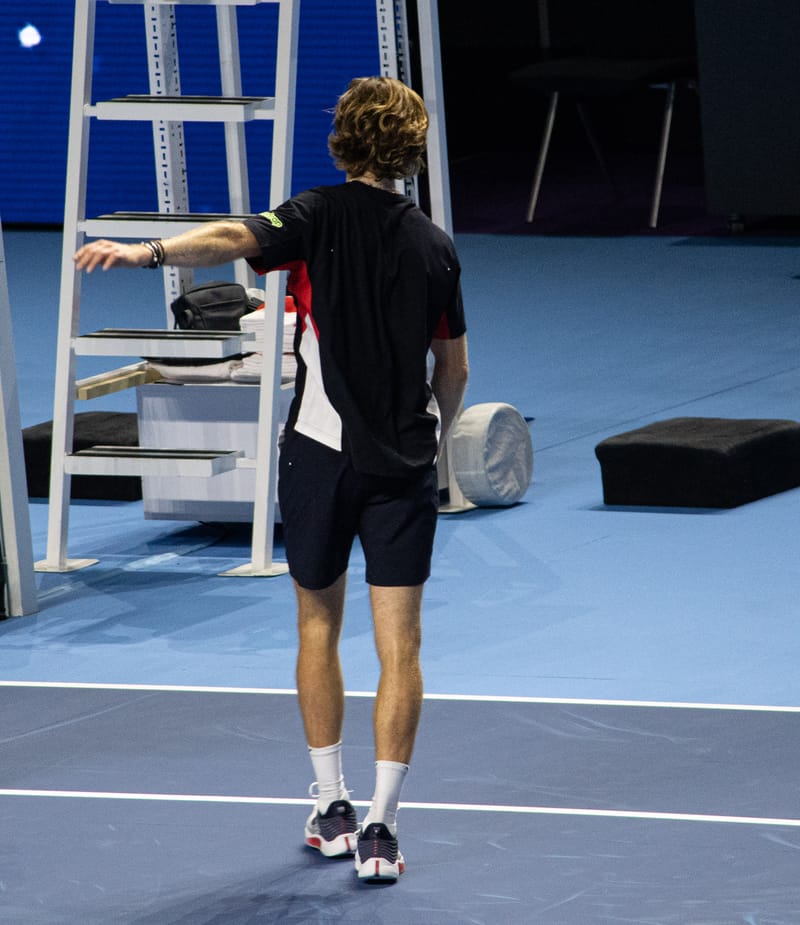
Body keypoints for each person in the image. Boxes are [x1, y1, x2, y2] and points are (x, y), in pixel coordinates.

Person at [74, 75, 469, 883]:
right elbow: (454, 367)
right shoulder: (435, 244)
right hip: (403, 468)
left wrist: (147, 251)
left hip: (319, 457)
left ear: (342, 144)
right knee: (403, 647)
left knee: (316, 628)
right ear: (410, 154)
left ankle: (332, 805)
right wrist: (427, 437)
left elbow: (228, 235)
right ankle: (383, 831)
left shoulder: (313, 215)